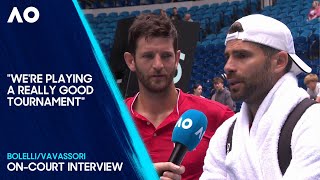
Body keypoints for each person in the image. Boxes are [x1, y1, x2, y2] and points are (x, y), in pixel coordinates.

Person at [200, 14, 320, 179]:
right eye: (227, 57)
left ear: (279, 61)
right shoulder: (226, 133)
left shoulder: (313, 122)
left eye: (242, 55)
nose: (228, 67)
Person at [123, 14, 234, 180]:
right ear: (131, 61)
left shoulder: (219, 117)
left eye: (166, 56)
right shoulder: (111, 122)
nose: (158, 65)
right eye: (148, 56)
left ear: (176, 58)